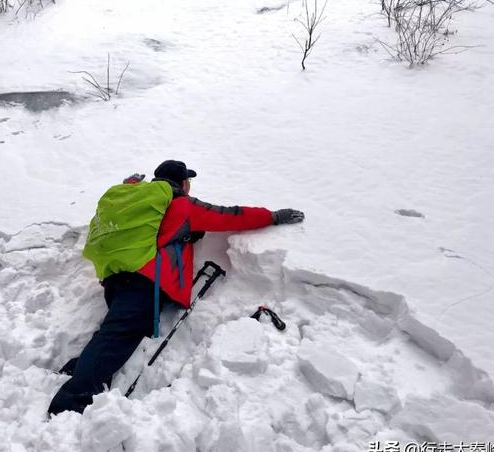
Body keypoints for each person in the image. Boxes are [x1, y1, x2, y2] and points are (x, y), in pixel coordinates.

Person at [48, 160, 304, 415]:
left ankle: (77, 368)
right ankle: (71, 403)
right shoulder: (181, 204)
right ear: (182, 183)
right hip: (146, 282)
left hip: (116, 277)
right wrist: (272, 217)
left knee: (114, 331)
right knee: (116, 336)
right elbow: (229, 215)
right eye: (188, 181)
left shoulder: (140, 200)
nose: (189, 186)